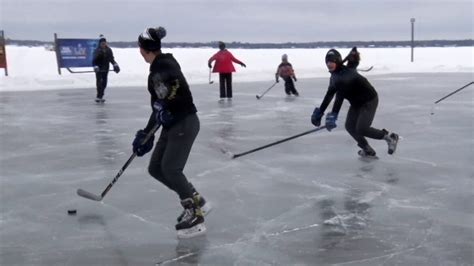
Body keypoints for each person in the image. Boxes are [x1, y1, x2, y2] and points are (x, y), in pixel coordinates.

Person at [134, 26, 211, 238]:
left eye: (140, 47)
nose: (139, 51)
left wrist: (168, 105)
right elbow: (159, 105)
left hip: (184, 123)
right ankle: (197, 200)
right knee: (156, 168)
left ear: (144, 49)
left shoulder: (165, 66)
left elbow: (175, 87)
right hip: (172, 125)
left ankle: (195, 214)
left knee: (171, 168)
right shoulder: (158, 67)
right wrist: (145, 134)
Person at [311, 49, 399, 158]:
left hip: (368, 100)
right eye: (327, 62)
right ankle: (367, 149)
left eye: (332, 61)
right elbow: (329, 94)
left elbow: (339, 97)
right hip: (356, 103)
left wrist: (333, 115)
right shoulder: (334, 76)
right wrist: (320, 112)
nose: (329, 64)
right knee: (350, 126)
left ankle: (390, 137)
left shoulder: (346, 75)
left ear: (337, 61)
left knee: (362, 128)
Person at [92, 36, 120, 103]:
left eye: (104, 43)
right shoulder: (97, 51)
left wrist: (115, 65)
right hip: (99, 69)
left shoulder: (109, 50)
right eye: (102, 43)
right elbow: (93, 61)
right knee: (99, 83)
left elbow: (112, 59)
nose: (103, 44)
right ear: (100, 44)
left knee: (104, 83)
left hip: (106, 69)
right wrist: (95, 67)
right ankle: (98, 96)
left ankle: (101, 96)